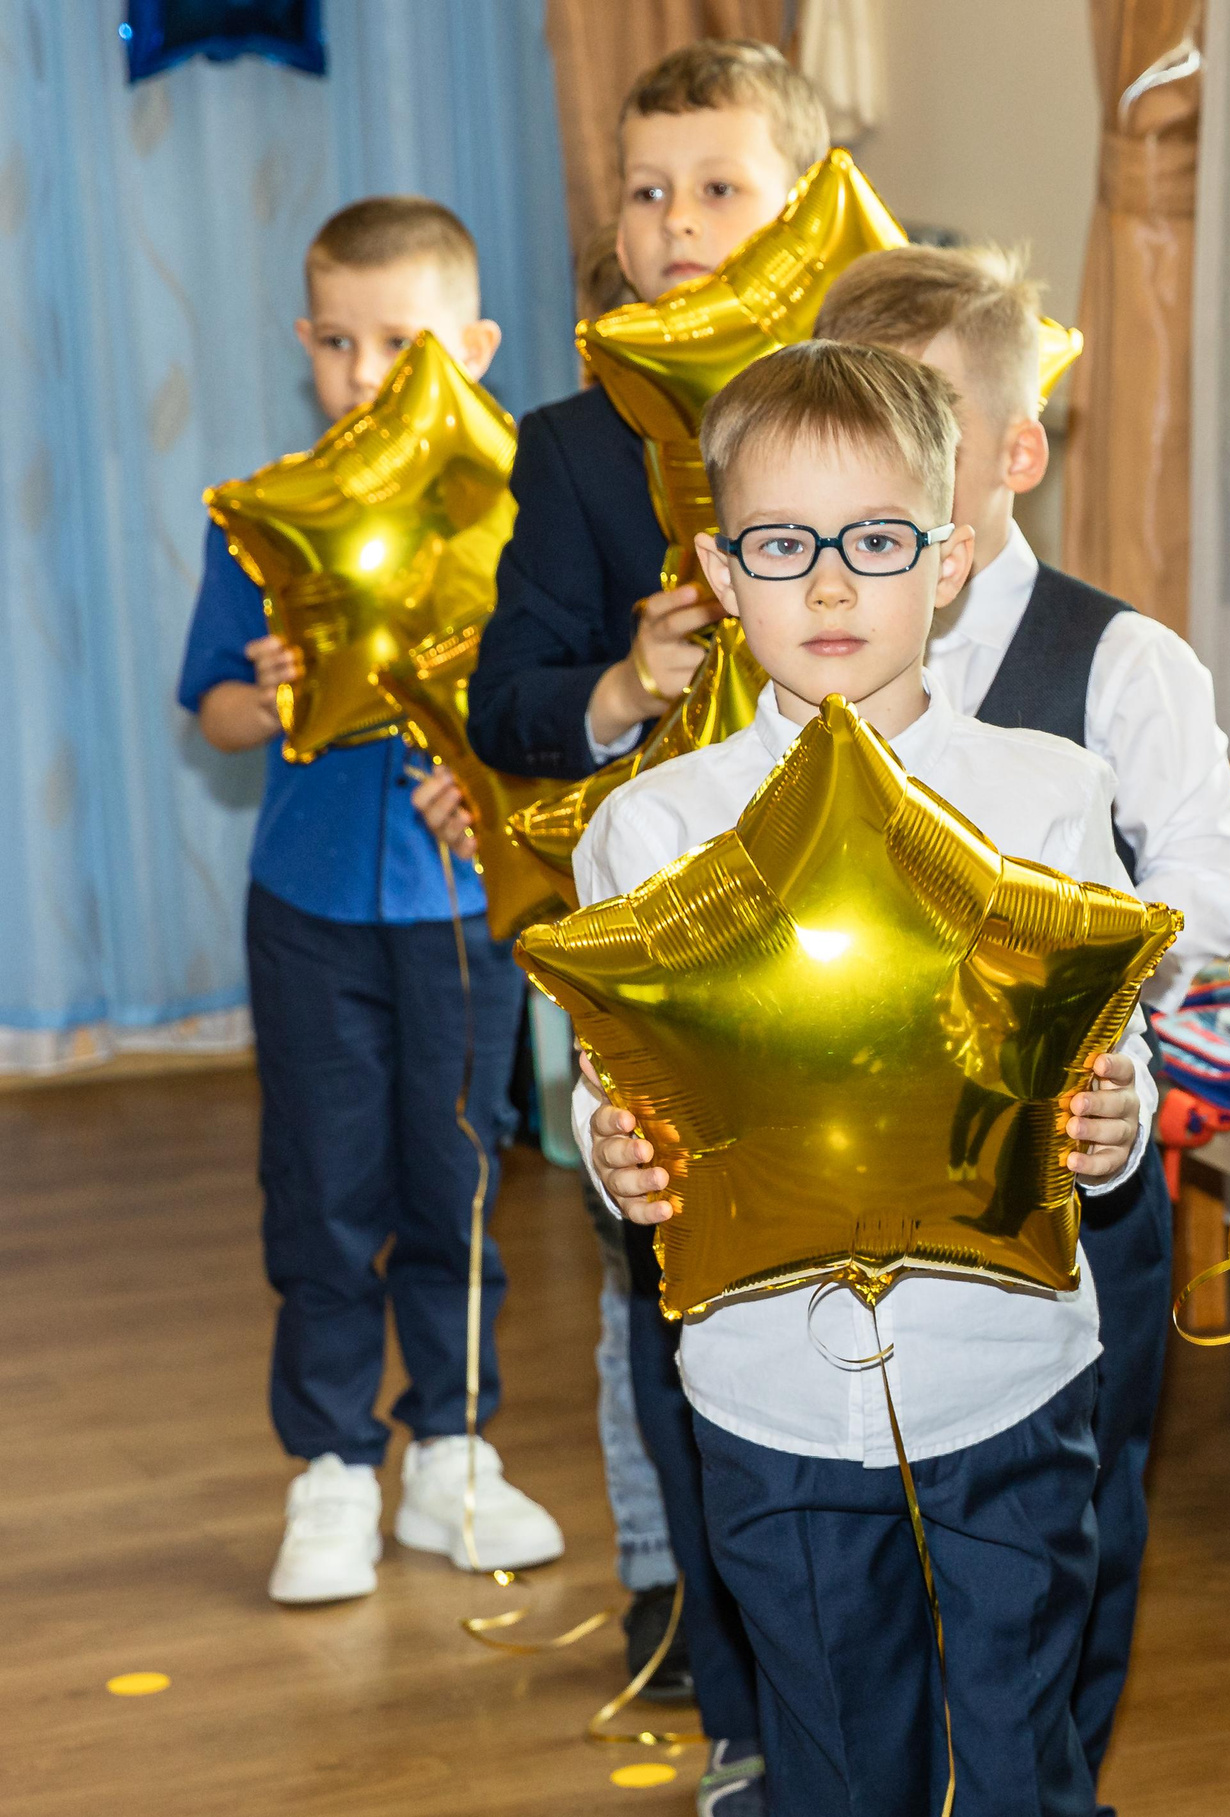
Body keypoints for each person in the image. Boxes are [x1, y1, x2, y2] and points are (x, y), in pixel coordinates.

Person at [580, 340, 1154, 1814]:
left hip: (1009, 1364)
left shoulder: (1050, 793)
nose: (829, 588)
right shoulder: (652, 832)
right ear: (717, 568)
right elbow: (624, 1081)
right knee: (835, 1758)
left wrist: (1114, 1122)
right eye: (783, 545)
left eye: (875, 542)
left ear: (948, 556)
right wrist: (614, 1152)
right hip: (769, 1381)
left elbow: (1105, 1048)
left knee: (1030, 1750)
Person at [813, 243, 1230, 1783]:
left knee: (1070, 1508)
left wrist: (1039, 959)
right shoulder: (799, 657)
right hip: (859, 1164)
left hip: (1077, 1161)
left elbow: (1204, 890)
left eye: (926, 416)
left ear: (1016, 450)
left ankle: (1044, 1774)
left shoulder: (1125, 661)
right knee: (862, 1504)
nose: (895, 464)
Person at [465, 42, 831, 1795]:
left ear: (807, 207)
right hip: (667, 941)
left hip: (854, 931)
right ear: (605, 221)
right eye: (645, 189)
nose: (678, 223)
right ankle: (729, 1661)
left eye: (722, 186)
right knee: (670, 1276)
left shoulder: (872, 412)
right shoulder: (569, 445)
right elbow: (506, 700)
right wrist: (622, 678)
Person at [177, 195, 562, 1606]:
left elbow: (556, 715)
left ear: (473, 346)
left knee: (453, 1181)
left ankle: (451, 1451)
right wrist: (262, 689)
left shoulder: (520, 513)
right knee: (325, 1186)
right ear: (304, 343)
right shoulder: (271, 516)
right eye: (338, 341)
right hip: (309, 910)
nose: (364, 372)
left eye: (400, 343)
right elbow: (210, 708)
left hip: (463, 916)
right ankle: (332, 1461)